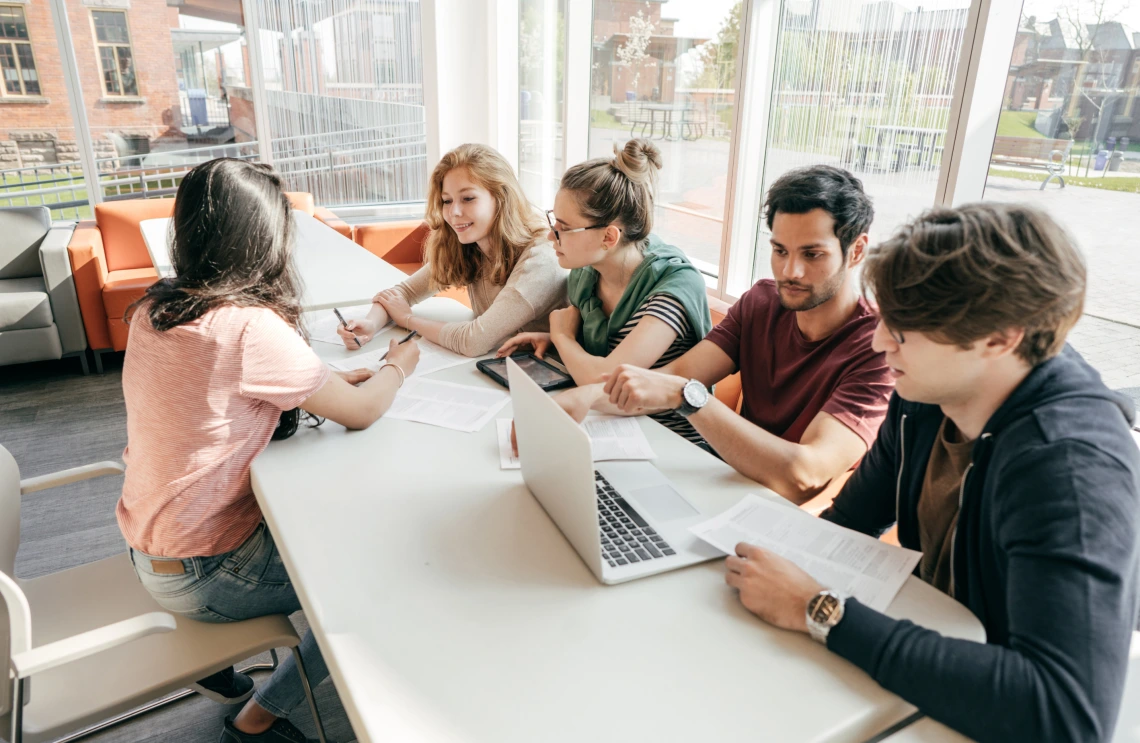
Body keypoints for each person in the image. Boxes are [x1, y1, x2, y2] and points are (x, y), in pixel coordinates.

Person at [723, 203, 1140, 743]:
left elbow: (1064, 714)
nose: (879, 344)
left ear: (999, 337)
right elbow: (849, 522)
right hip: (936, 659)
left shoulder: (1069, 467)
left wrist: (818, 609)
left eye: (904, 332)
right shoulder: (924, 394)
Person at [118, 159, 420, 743]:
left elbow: (218, 392)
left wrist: (325, 379)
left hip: (149, 546)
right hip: (207, 574)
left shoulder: (156, 308)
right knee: (375, 586)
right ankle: (259, 719)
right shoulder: (249, 326)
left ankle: (217, 669)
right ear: (266, 239)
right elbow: (362, 414)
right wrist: (396, 367)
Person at [552, 165, 894, 503]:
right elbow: (676, 376)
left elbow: (803, 475)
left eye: (812, 253)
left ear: (858, 251)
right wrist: (581, 400)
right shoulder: (761, 302)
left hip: (787, 515)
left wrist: (686, 395)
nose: (790, 271)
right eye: (780, 251)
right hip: (723, 483)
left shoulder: (879, 347)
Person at [497, 139, 711, 445]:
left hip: (676, 445)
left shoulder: (673, 286)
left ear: (609, 237)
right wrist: (552, 341)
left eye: (563, 227)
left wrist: (563, 337)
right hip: (613, 429)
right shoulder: (586, 275)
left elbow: (606, 380)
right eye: (552, 220)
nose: (550, 235)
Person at [338, 143, 567, 357]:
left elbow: (474, 341)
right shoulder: (468, 241)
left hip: (546, 375)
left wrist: (407, 319)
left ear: (501, 198)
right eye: (447, 201)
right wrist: (371, 324)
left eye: (468, 198)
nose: (454, 212)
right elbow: (401, 293)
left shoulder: (540, 256)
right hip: (502, 366)